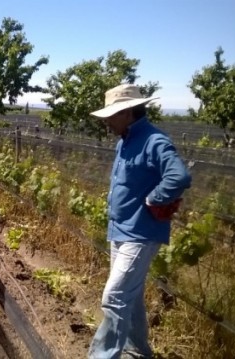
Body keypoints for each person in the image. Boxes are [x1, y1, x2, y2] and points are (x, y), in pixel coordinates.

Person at [88, 84, 192, 359]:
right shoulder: (125, 139)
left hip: (140, 234)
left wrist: (154, 199)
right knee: (129, 299)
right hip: (120, 230)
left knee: (114, 297)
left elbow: (179, 176)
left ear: (127, 112)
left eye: (111, 115)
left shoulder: (154, 140)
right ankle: (138, 353)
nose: (107, 121)